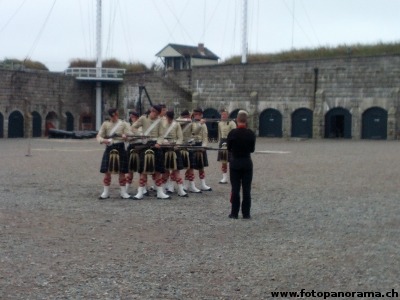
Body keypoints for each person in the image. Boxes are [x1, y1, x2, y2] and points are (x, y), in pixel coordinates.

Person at [130, 105, 171, 200]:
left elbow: (161, 135)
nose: (154, 114)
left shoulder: (160, 121)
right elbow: (133, 127)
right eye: (153, 112)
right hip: (145, 145)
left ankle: (160, 192)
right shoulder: (143, 118)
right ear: (151, 111)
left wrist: (159, 143)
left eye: (156, 113)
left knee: (157, 170)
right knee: (143, 170)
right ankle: (140, 192)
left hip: (156, 146)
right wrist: (140, 135)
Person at [97, 108, 132, 199]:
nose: (114, 117)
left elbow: (130, 136)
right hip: (109, 147)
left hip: (120, 147)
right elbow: (99, 136)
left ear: (117, 114)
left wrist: (126, 137)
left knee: (122, 171)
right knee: (107, 171)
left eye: (115, 115)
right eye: (112, 116)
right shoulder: (105, 124)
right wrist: (104, 140)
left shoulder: (124, 124)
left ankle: (123, 192)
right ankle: (106, 192)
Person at [226, 110, 256, 219]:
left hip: (235, 162)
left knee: (235, 188)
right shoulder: (251, 134)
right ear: (246, 120)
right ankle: (246, 213)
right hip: (247, 162)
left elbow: (229, 148)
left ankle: (234, 213)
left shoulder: (232, 133)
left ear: (237, 120)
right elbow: (252, 149)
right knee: (247, 189)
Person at [159, 110, 188, 197]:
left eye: (171, 118)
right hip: (165, 148)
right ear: (166, 117)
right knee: (165, 171)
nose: (169, 120)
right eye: (168, 118)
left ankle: (180, 190)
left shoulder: (176, 124)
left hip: (174, 148)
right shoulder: (162, 124)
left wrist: (177, 145)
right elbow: (160, 136)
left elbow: (180, 137)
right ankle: (163, 189)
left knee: (176, 171)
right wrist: (165, 142)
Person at [189, 107, 212, 191]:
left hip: (200, 145)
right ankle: (191, 185)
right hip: (192, 144)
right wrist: (200, 124)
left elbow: (205, 136)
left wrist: (204, 145)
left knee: (201, 166)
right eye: (195, 114)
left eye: (199, 114)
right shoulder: (190, 122)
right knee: (190, 166)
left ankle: (203, 184)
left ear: (201, 115)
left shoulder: (204, 124)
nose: (197, 116)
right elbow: (194, 132)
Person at [217, 109, 236, 184]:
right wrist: (219, 142)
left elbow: (235, 134)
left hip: (230, 141)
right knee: (223, 161)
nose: (223, 116)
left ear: (227, 115)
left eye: (224, 114)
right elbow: (219, 133)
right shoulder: (220, 123)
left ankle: (233, 177)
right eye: (222, 115)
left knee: (232, 160)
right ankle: (224, 178)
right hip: (222, 141)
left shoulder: (232, 123)